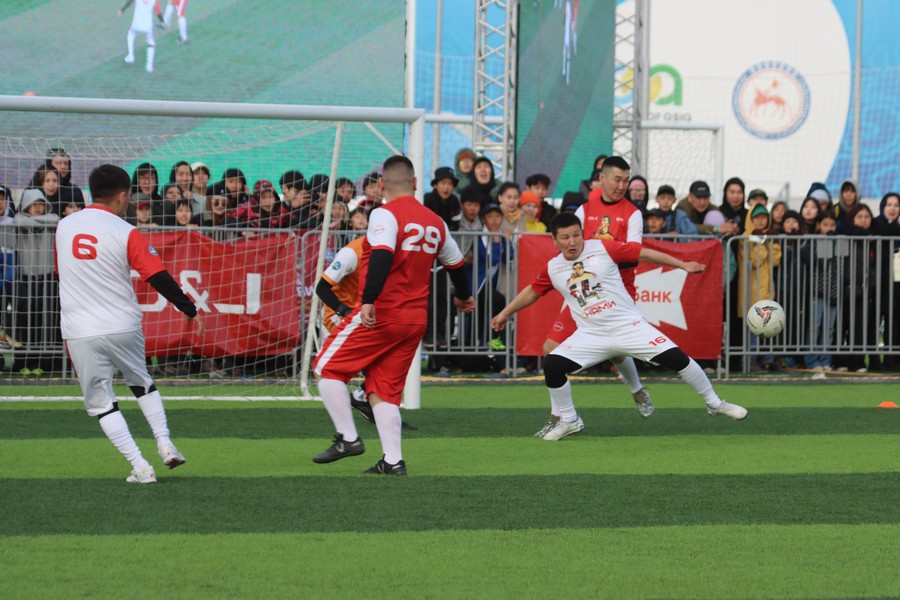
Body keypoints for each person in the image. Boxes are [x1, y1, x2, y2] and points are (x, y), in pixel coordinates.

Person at [491, 212, 747, 441]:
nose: (572, 242)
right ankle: (569, 420)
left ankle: (715, 403)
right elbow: (532, 292)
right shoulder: (553, 268)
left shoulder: (602, 247)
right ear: (555, 240)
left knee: (679, 359)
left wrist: (683, 264)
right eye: (565, 237)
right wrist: (504, 313)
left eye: (576, 235)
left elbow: (643, 252)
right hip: (591, 335)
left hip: (629, 326)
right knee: (553, 365)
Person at [312, 155, 475, 475]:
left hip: (383, 314)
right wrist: (464, 296)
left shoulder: (384, 214)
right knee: (382, 391)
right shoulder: (436, 222)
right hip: (414, 320)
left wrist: (369, 300)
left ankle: (348, 438)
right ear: (415, 183)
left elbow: (383, 255)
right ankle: (392, 461)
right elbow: (456, 264)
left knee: (326, 369)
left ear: (382, 185)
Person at [56, 164, 204, 483]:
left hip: (80, 329)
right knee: (141, 381)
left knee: (102, 403)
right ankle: (165, 444)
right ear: (123, 196)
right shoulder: (126, 231)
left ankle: (140, 466)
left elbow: (62, 273)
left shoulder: (64, 227)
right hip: (122, 323)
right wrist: (189, 309)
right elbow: (157, 276)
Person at [537, 156, 652, 437]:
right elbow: (573, 244)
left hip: (616, 290)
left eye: (626, 180)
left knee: (618, 351)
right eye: (617, 179)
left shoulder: (632, 213)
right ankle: (558, 416)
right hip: (583, 289)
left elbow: (633, 254)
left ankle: (637, 390)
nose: (621, 185)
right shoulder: (584, 210)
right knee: (550, 349)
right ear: (602, 179)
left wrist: (603, 254)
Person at [13, 189, 60, 376]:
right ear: (26, 206)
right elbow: (20, 221)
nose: (38, 207)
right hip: (26, 278)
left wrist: (36, 221)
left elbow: (55, 219)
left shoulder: (51, 218)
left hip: (47, 278)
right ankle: (24, 362)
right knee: (26, 321)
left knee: (46, 321)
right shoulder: (19, 219)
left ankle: (44, 363)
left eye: (40, 204)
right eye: (33, 204)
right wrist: (38, 222)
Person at [736, 203, 782, 371]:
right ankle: (749, 361)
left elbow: (775, 261)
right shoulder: (746, 237)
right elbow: (756, 260)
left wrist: (773, 243)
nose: (761, 221)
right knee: (753, 327)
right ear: (751, 219)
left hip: (767, 289)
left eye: (764, 217)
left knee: (769, 325)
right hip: (751, 291)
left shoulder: (766, 235)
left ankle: (767, 359)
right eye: (757, 217)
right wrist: (762, 242)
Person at [872, 193, 900, 370]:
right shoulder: (874, 224)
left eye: (896, 205)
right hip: (876, 282)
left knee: (894, 321)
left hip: (895, 283)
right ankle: (874, 361)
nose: (892, 209)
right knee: (873, 321)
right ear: (883, 206)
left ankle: (892, 360)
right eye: (889, 205)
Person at [117, 0, 159, 73]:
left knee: (130, 34)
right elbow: (157, 10)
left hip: (136, 24)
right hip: (148, 25)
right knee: (151, 43)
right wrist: (162, 21)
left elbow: (129, 2)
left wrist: (122, 10)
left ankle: (131, 56)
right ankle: (149, 66)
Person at [44, 148, 85, 213]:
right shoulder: (39, 189)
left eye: (66, 163)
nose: (63, 167)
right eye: (58, 163)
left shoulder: (74, 191)